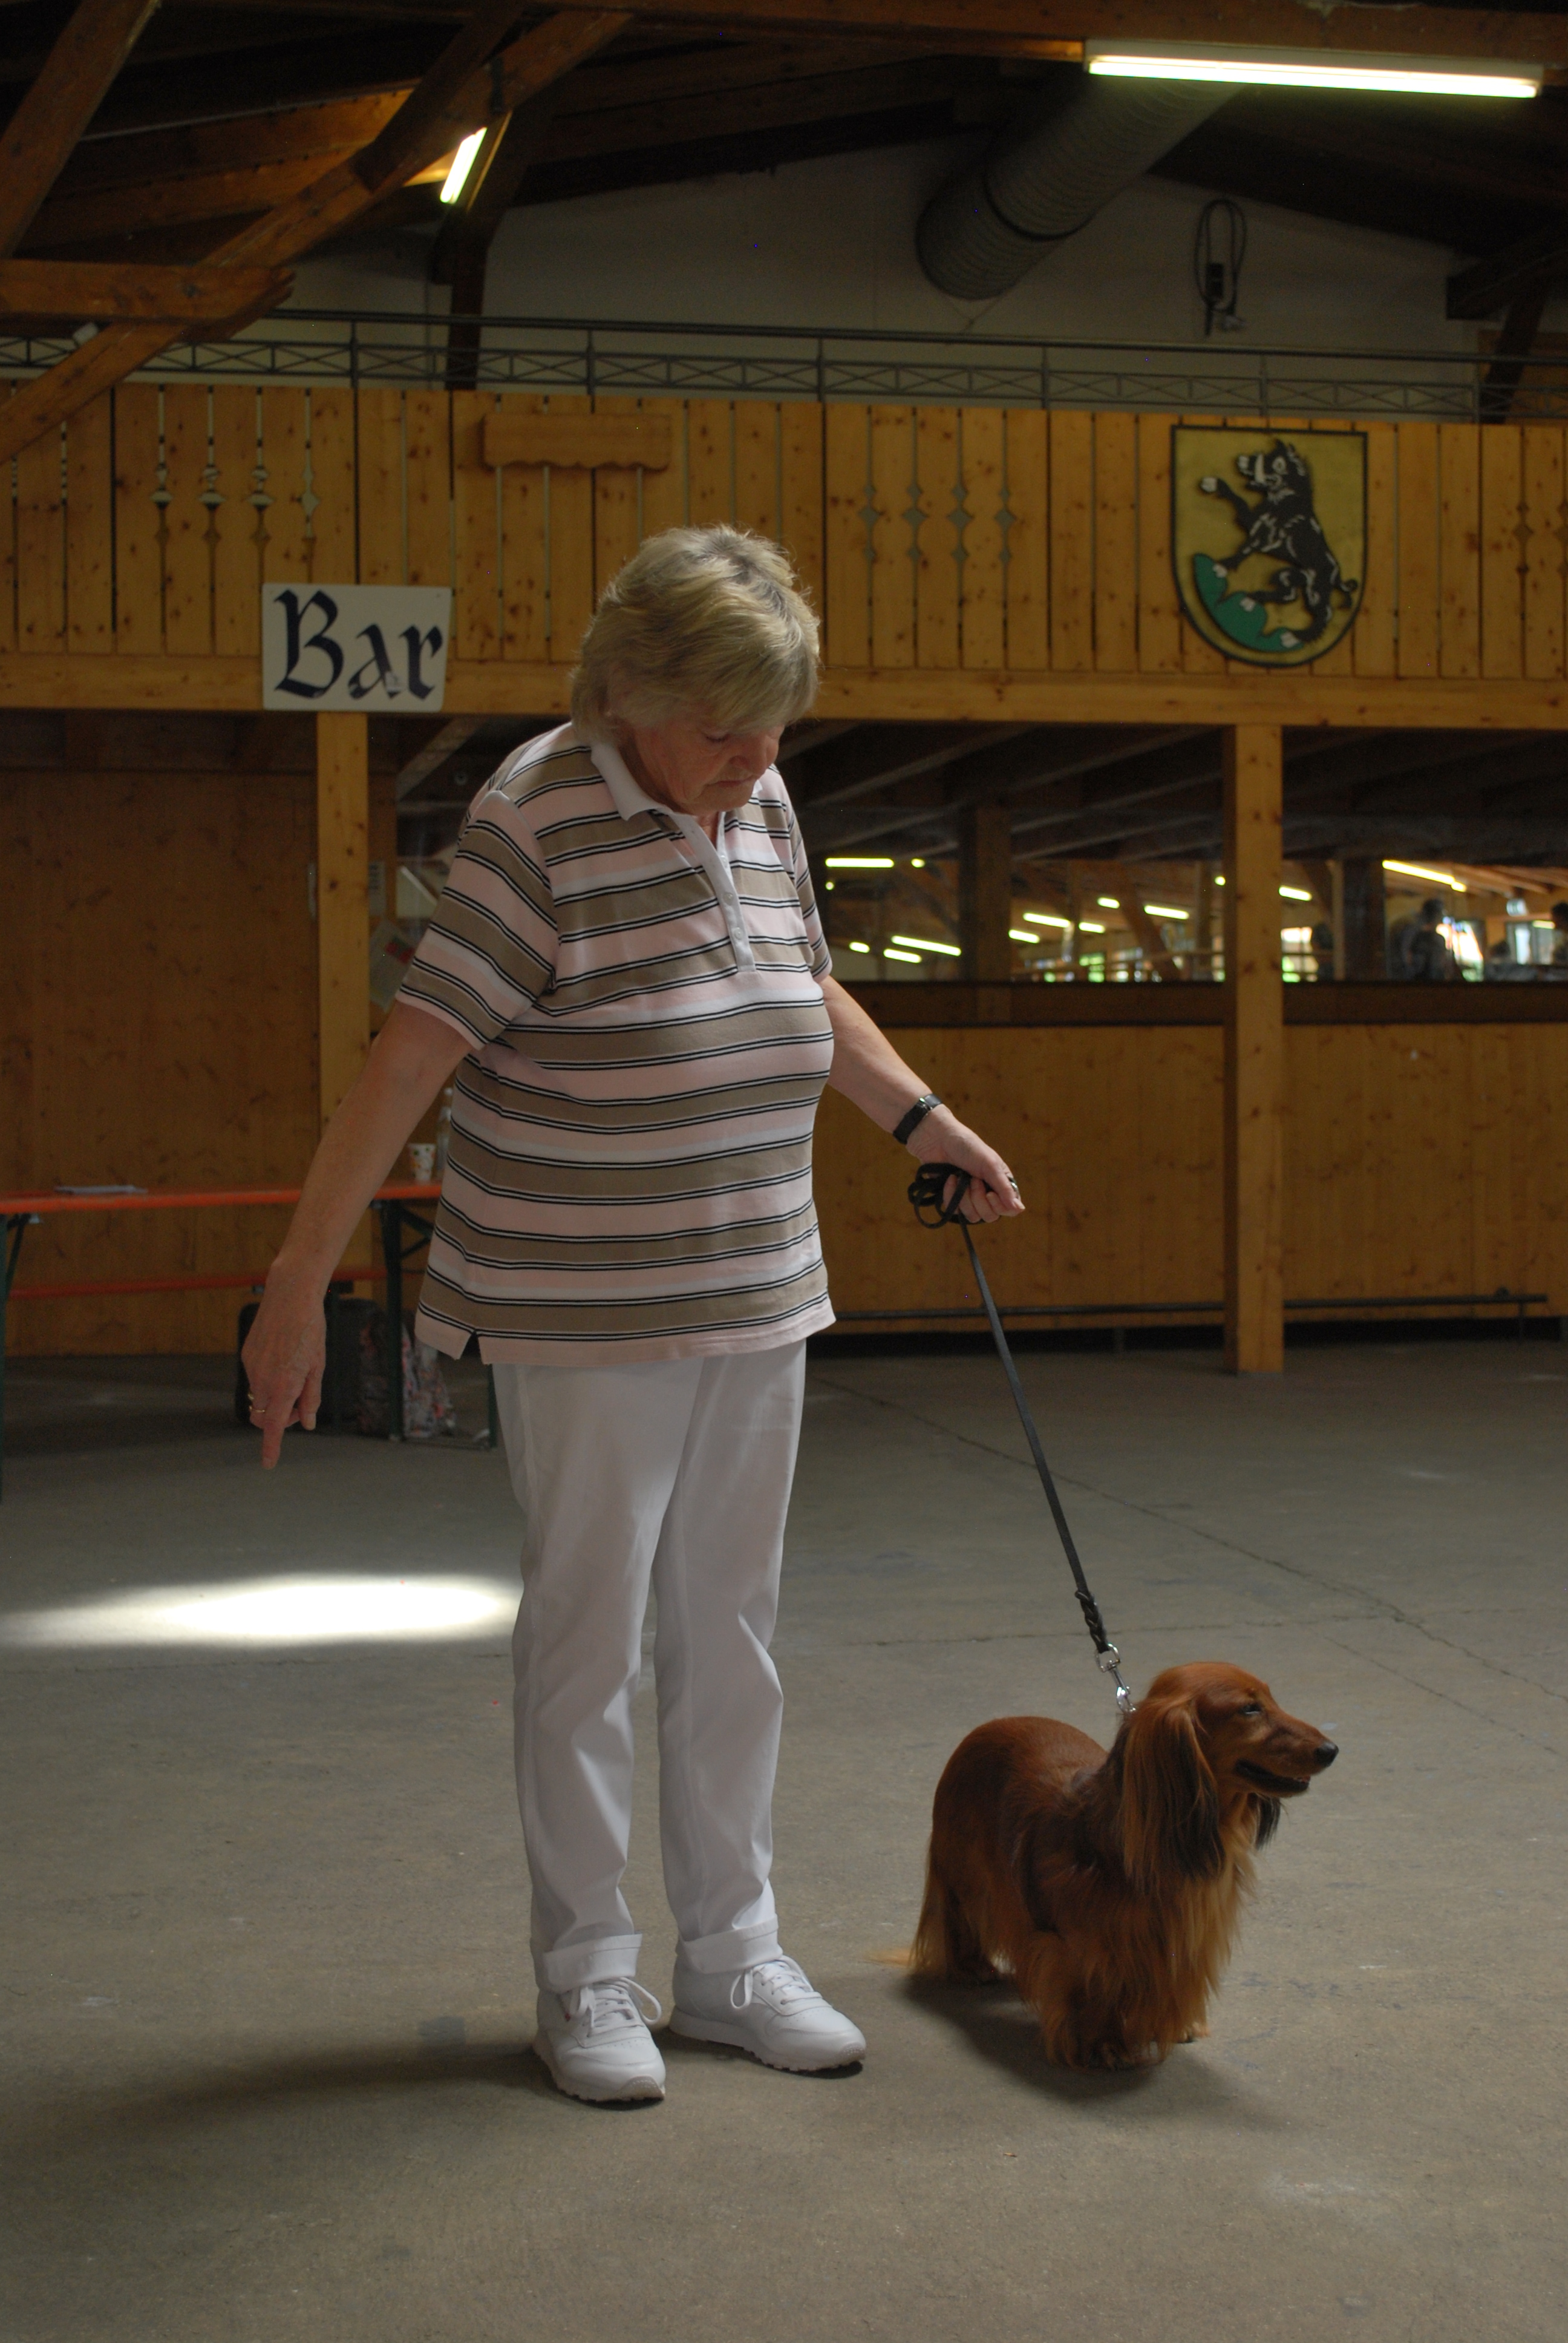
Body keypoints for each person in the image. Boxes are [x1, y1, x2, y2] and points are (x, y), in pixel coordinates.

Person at [241, 526, 1022, 2106]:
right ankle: (586, 1975)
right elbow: (407, 1061)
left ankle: (734, 1958)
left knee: (731, 1634)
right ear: (629, 693)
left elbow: (805, 980)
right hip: (580, 1308)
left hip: (759, 1286)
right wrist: (295, 1291)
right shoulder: (531, 819)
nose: (757, 759)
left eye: (774, 728)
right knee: (589, 1644)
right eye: (727, 728)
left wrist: (917, 1115)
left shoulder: (759, 793)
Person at [1396, 896, 1454, 981]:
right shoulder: (1413, 935)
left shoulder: (1438, 939)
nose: (1440, 918)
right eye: (1439, 914)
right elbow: (1407, 959)